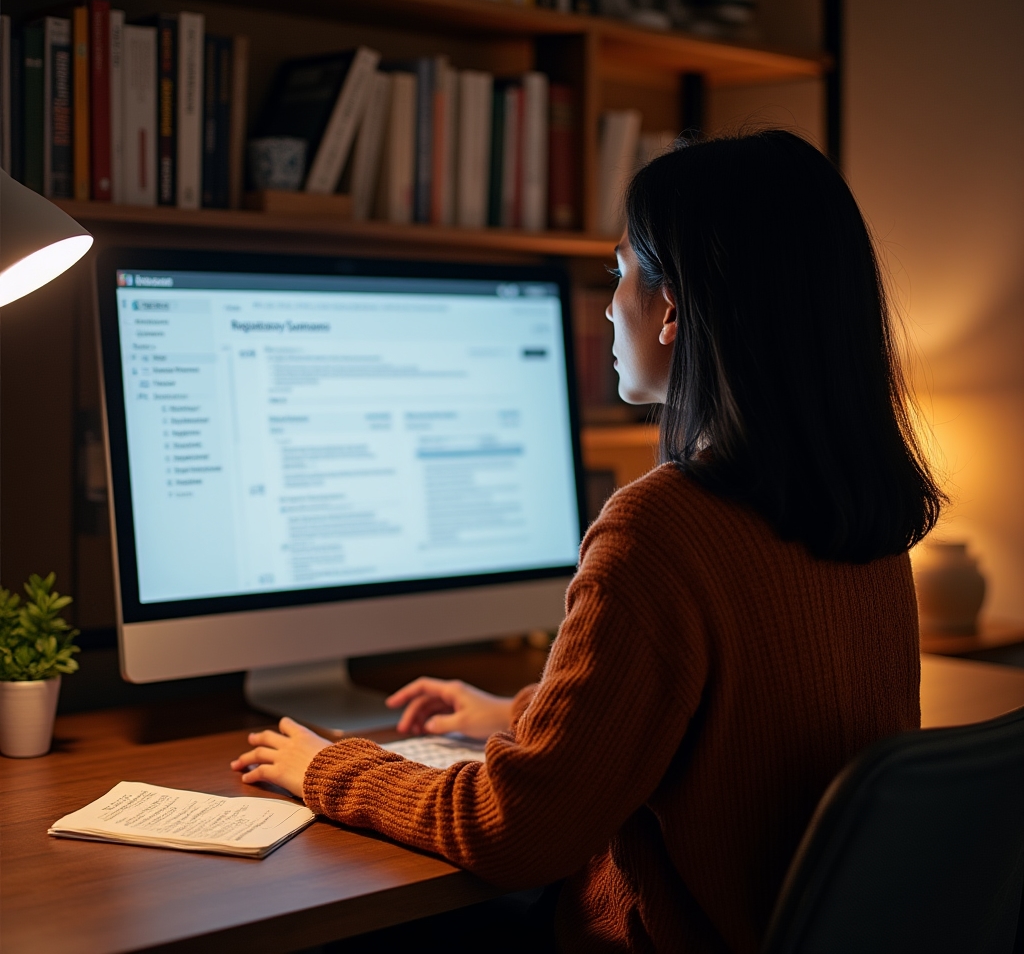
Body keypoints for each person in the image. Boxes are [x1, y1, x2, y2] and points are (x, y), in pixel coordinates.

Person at [231, 130, 944, 953]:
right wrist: (517, 714)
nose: (608, 306)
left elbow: (515, 833)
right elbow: (719, 735)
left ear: (673, 308)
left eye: (619, 274)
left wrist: (329, 771)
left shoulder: (662, 528)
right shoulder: (867, 519)